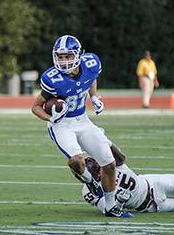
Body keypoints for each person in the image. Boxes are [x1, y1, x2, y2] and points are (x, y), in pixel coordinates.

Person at [31, 35, 130, 218]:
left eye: (68, 56)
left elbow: (91, 78)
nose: (63, 60)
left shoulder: (91, 63)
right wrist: (51, 119)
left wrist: (93, 97)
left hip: (83, 120)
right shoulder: (52, 78)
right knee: (76, 161)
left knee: (109, 164)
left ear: (77, 55)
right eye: (60, 57)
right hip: (62, 125)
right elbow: (35, 107)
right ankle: (89, 181)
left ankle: (111, 206)